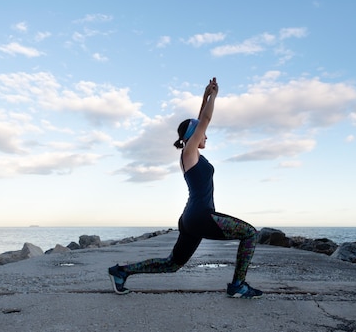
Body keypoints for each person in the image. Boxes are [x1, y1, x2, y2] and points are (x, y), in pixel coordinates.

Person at [108, 77, 263, 299]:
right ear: (193, 136)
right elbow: (205, 120)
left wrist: (205, 96)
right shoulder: (189, 153)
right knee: (250, 234)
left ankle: (121, 271)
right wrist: (215, 97)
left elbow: (200, 120)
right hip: (201, 216)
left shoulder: (192, 154)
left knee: (173, 264)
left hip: (191, 219)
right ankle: (238, 285)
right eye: (202, 133)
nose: (206, 135)